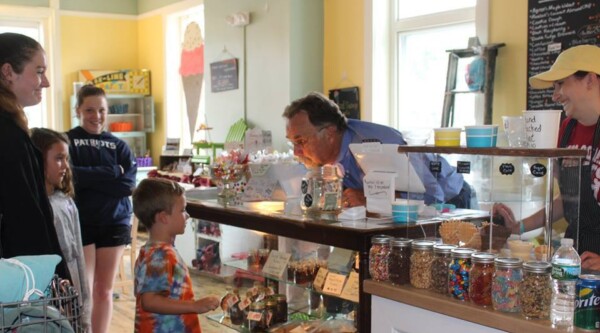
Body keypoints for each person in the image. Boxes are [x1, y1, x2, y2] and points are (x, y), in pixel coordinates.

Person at [499, 44, 600, 269]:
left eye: (561, 84)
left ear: (590, 79)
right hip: (576, 255)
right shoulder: (565, 130)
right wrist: (518, 228)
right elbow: (568, 199)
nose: (555, 96)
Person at [283, 91, 471, 208]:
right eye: (292, 143)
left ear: (330, 132)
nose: (296, 152)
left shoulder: (379, 144)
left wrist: (371, 200)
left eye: (301, 141)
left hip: (452, 200)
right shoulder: (326, 160)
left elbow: (431, 196)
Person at [67, 84, 137, 333]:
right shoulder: (67, 141)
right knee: (83, 291)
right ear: (78, 110)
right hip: (81, 222)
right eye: (89, 110)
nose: (96, 116)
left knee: (104, 290)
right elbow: (69, 179)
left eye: (101, 110)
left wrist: (88, 181)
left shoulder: (120, 147)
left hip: (114, 222)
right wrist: (110, 173)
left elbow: (126, 186)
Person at [0, 32, 70, 278]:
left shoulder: (13, 130)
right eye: (39, 71)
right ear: (8, 72)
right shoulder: (8, 136)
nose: (47, 82)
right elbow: (25, 219)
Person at [132, 178, 220, 332]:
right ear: (163, 217)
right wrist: (195, 305)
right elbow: (149, 301)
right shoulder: (161, 254)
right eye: (182, 210)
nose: (187, 215)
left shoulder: (149, 251)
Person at [30, 127, 92, 331]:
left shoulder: (65, 202)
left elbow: (78, 258)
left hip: (72, 296)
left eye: (66, 158)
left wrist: (83, 306)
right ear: (38, 160)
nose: (65, 165)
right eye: (58, 158)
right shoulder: (34, 209)